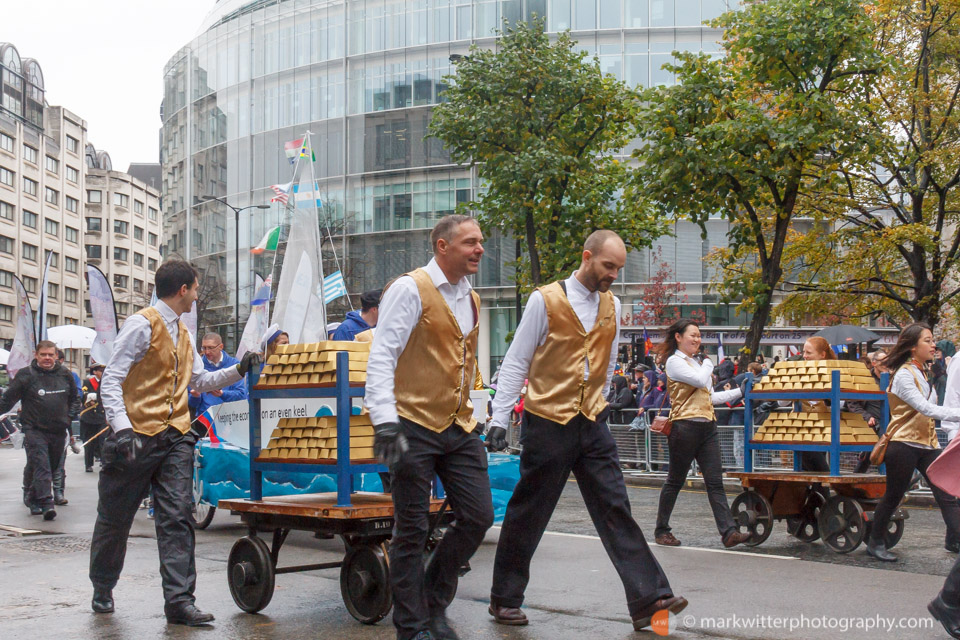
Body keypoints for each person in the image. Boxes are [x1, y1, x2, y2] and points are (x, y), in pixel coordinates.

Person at [485, 230, 687, 633]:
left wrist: (604, 396)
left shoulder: (611, 304)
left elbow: (607, 355)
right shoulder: (545, 299)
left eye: (618, 268)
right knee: (529, 510)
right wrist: (497, 419)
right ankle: (504, 598)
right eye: (608, 266)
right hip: (548, 421)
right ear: (587, 256)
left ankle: (649, 598)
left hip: (591, 421)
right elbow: (516, 361)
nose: (613, 275)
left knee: (615, 505)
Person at [89, 260, 262, 626]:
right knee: (114, 520)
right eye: (196, 288)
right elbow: (111, 381)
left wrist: (239, 370)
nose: (198, 295)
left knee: (177, 518)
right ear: (183, 289)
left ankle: (180, 602)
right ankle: (102, 586)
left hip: (174, 437)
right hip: (134, 438)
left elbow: (198, 381)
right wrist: (123, 432)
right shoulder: (141, 324)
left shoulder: (183, 333)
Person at [365, 215, 494, 640]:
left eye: (480, 242)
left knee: (478, 516)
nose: (479, 248)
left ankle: (432, 600)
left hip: (458, 426)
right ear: (443, 246)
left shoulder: (471, 297)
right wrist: (384, 422)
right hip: (412, 424)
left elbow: (466, 364)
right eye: (470, 242)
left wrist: (486, 412)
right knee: (413, 529)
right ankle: (413, 626)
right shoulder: (409, 289)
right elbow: (382, 356)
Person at [862, 323, 960, 564]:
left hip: (927, 443)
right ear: (913, 347)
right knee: (894, 494)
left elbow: (934, 407)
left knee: (946, 492)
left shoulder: (923, 372)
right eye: (927, 340)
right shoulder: (904, 374)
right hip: (903, 444)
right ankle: (875, 542)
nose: (933, 344)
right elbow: (926, 408)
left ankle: (955, 538)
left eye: (933, 340)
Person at [653, 319, 751, 549]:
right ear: (678, 337)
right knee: (675, 481)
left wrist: (739, 391)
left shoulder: (697, 364)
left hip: (707, 426)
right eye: (693, 335)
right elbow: (699, 380)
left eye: (699, 335)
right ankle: (661, 529)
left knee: (715, 482)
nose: (697, 339)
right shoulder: (675, 362)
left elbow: (710, 398)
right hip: (684, 427)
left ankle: (728, 532)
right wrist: (709, 362)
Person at [0, 340, 80, 519]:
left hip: (58, 429)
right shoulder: (26, 375)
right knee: (41, 466)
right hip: (34, 429)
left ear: (56, 356)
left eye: (51, 355)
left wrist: (69, 417)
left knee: (50, 467)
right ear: (36, 355)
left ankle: (31, 496)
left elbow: (75, 399)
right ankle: (46, 503)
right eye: (43, 354)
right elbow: (8, 400)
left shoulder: (65, 374)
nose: (47, 358)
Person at [188, 333, 248, 426]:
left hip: (229, 421)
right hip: (205, 422)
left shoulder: (234, 364)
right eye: (204, 348)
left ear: (221, 346)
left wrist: (222, 394)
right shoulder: (196, 367)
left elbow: (241, 395)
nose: (207, 352)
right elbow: (192, 405)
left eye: (211, 348)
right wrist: (195, 396)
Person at [80, 363, 107, 472]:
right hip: (89, 416)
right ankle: (88, 464)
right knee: (89, 441)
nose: (103, 373)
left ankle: (104, 461)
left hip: (102, 416)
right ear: (95, 372)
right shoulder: (88, 382)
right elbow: (85, 395)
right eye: (101, 371)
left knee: (103, 440)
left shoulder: (107, 383)